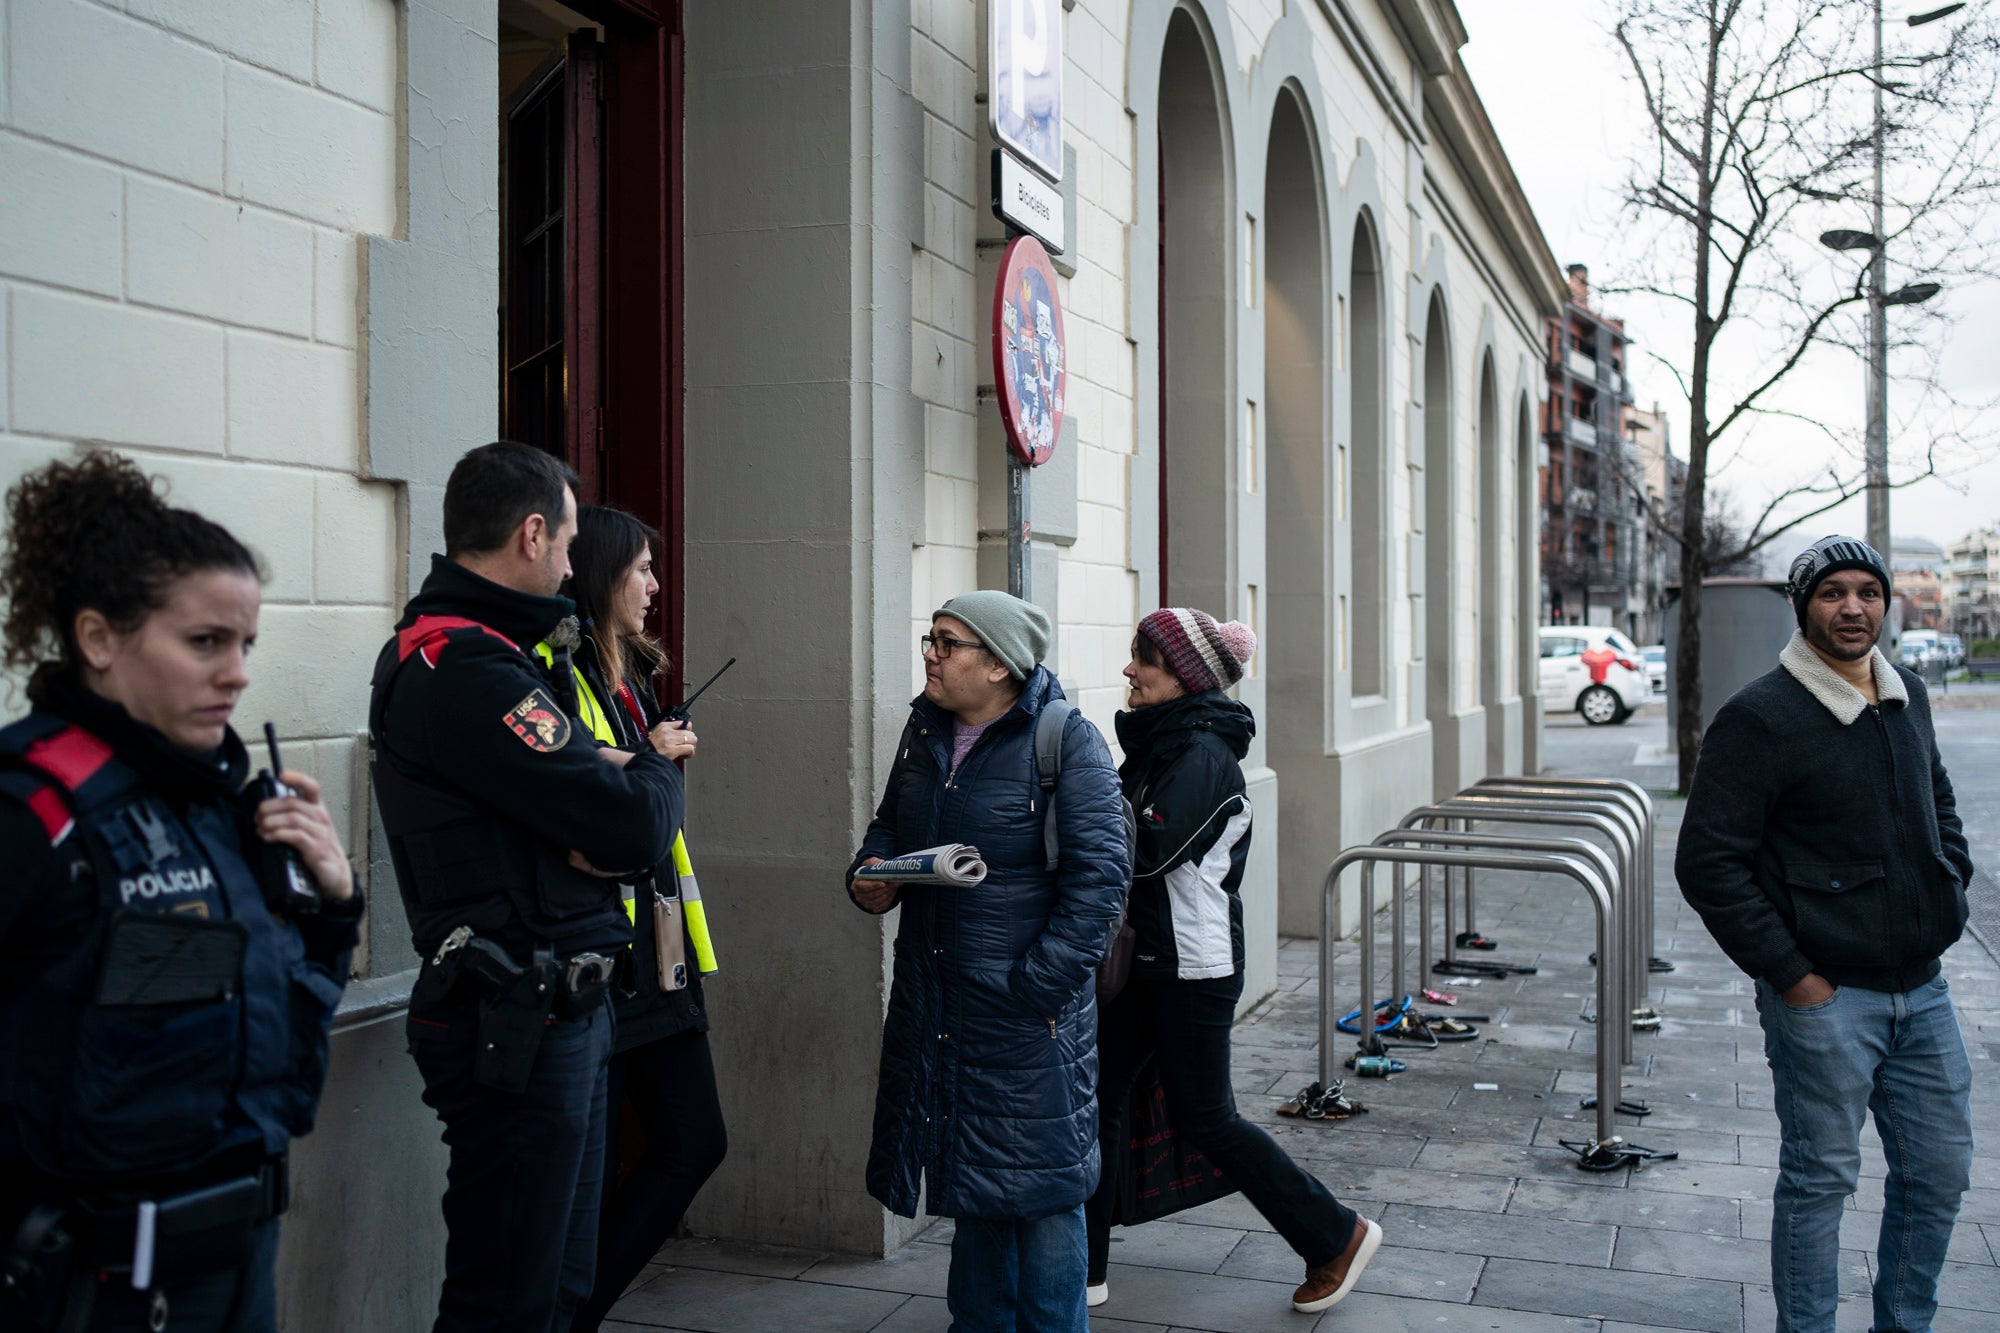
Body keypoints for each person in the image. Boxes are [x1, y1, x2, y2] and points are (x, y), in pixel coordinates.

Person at [0, 451, 363, 1331]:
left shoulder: (219, 804)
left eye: (245, 644)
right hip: (90, 1287)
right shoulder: (31, 809)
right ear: (98, 639)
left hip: (239, 1260)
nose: (237, 673)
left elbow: (270, 1021)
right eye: (205, 642)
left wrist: (335, 904)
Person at [368, 443, 685, 1333]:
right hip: (516, 1012)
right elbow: (628, 827)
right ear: (533, 532)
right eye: (571, 539)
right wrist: (657, 765)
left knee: (559, 1291)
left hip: (563, 1003)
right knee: (508, 1302)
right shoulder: (464, 666)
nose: (573, 562)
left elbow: (590, 810)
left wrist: (609, 795)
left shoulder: (506, 653)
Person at [1678, 535, 1975, 1333]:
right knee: (1820, 1181)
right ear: (1803, 605)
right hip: (1826, 1000)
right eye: (1833, 592)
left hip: (1925, 989)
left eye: (1867, 593)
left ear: (1887, 601)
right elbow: (1708, 863)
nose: (1853, 608)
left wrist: (1953, 878)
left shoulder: (1905, 691)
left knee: (1940, 1171)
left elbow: (1936, 796)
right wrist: (1793, 975)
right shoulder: (1761, 716)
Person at [1082, 607, 1382, 1316]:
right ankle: (1082, 1266)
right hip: (1143, 962)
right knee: (1094, 1104)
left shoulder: (1204, 755)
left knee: (1206, 1118)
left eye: (1144, 660)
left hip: (1192, 970)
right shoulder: (1162, 744)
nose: (1130, 669)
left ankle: (1337, 1233)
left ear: (1185, 675)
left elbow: (1147, 851)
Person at [848, 591, 1128, 1333]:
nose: (931, 654)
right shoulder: (925, 730)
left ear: (1001, 664)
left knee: (1043, 1197)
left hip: (1025, 1019)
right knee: (971, 1182)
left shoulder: (1066, 740)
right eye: (929, 639)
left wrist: (1032, 989)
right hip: (940, 1007)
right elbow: (888, 823)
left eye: (948, 642)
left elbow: (1100, 886)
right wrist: (871, 873)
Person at [546, 507, 726, 1332]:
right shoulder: (557, 667)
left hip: (658, 956)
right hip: (599, 957)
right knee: (578, 1180)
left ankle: (577, 1310)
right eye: (644, 569)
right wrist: (646, 754)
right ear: (603, 573)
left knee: (695, 1142)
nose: (655, 586)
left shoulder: (633, 678)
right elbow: (563, 776)